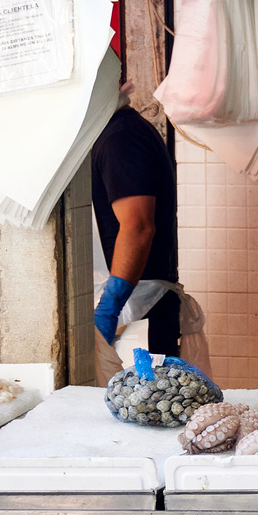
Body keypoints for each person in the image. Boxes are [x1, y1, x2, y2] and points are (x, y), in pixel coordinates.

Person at [91, 103, 182, 359]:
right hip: (131, 303)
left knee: (142, 397)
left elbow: (139, 226)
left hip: (138, 308)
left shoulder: (121, 138)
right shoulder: (111, 133)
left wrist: (109, 307)